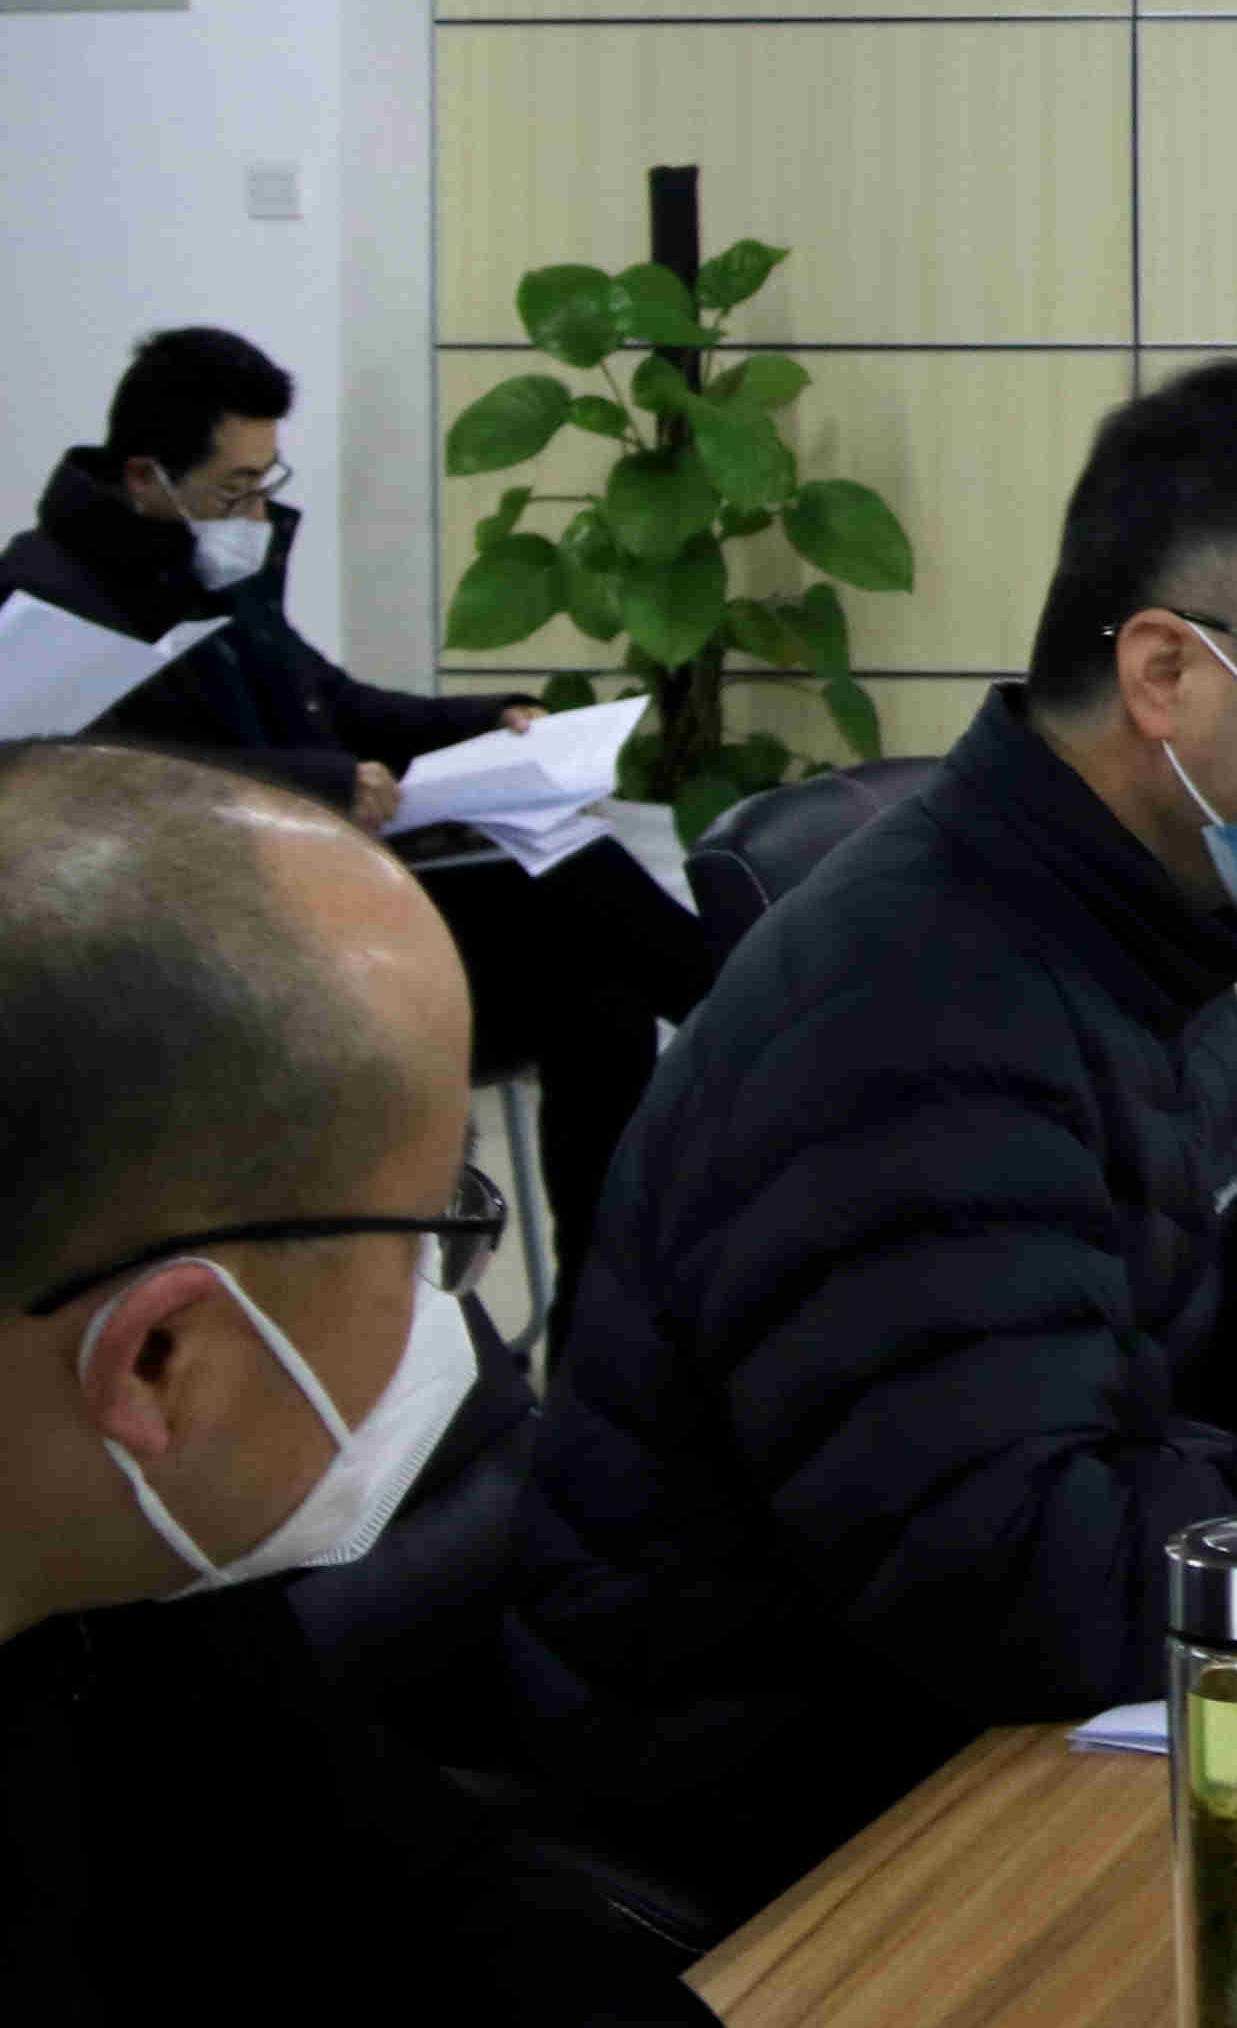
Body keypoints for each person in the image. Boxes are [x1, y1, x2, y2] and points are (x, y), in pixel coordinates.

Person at [507, 362, 1237, 1907]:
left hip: (992, 1712)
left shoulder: (1147, 910)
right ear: (1165, 670)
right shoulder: (915, 1011)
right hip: (813, 1805)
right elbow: (1017, 1560)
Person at [0, 739, 709, 2020]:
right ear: (160, 1357)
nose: (448, 1305)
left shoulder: (141, 1593)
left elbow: (428, 1893)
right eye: (434, 1229)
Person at [6, 327, 715, 1301]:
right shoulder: (49, 600)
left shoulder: (211, 564)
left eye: (266, 482)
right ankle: (768, 1025)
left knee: (602, 1000)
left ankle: (599, 1336)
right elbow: (112, 789)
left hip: (322, 900)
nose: (255, 514)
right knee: (567, 879)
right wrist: (323, 783)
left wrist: (490, 722)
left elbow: (330, 699)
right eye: (233, 490)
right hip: (224, 952)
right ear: (144, 479)